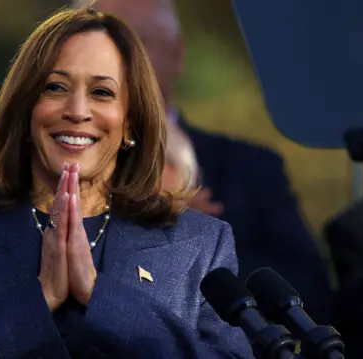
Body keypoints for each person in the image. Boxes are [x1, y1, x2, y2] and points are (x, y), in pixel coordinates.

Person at [0, 6, 253, 359]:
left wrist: (100, 298)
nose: (77, 111)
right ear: (26, 108)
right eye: (55, 87)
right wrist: (37, 299)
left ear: (130, 123)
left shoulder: (199, 245)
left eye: (102, 93)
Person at [92, 0, 333, 323]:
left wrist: (200, 243)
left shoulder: (250, 168)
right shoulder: (48, 170)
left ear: (177, 53)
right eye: (105, 44)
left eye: (140, 41)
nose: (120, 60)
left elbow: (312, 293)